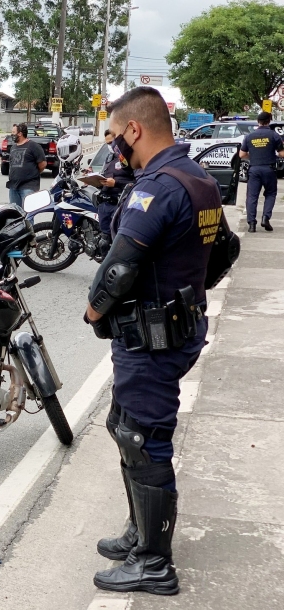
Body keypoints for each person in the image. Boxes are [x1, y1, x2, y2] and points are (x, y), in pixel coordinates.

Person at [83, 87, 223, 595]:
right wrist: (188, 290)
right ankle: (139, 532)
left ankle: (154, 563)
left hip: (152, 339)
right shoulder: (199, 179)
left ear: (135, 130)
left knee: (143, 439)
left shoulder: (157, 187)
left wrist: (93, 311)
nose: (114, 146)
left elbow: (119, 267)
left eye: (115, 136)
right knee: (123, 426)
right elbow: (223, 250)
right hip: (171, 330)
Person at [239, 111, 284, 232]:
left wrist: (253, 156)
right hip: (269, 169)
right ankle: (265, 218)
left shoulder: (249, 136)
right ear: (269, 121)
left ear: (258, 121)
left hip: (254, 169)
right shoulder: (274, 135)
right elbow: (281, 153)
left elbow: (242, 154)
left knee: (252, 197)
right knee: (270, 194)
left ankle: (252, 224)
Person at [98, 128, 136, 248]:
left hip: (119, 205)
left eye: (111, 142)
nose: (110, 146)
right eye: (107, 143)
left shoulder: (130, 159)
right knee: (104, 242)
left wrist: (116, 183)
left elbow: (136, 183)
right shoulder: (109, 158)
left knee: (119, 243)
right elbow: (103, 176)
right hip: (105, 204)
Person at [7, 124, 46, 206]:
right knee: (15, 214)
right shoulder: (13, 147)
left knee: (28, 215)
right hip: (13, 187)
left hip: (28, 187)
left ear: (20, 134)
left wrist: (32, 173)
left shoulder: (34, 146)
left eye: (13, 132)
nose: (11, 134)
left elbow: (42, 164)